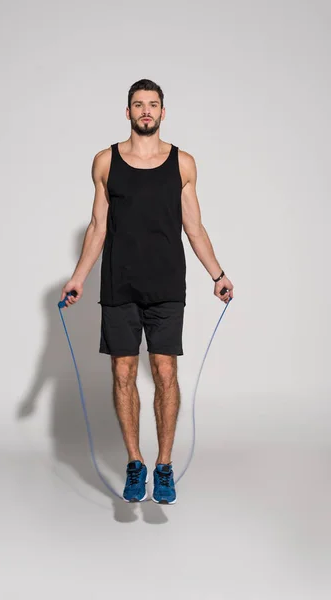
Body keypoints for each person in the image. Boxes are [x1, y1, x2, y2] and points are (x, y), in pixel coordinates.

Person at [60, 79, 234, 505]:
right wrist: (79, 276)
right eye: (138, 105)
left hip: (167, 285)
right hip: (118, 284)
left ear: (162, 112)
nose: (145, 111)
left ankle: (164, 466)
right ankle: (135, 463)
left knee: (165, 373)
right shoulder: (105, 162)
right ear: (127, 112)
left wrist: (218, 274)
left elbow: (194, 226)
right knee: (123, 373)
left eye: (152, 105)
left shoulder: (183, 163)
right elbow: (98, 226)